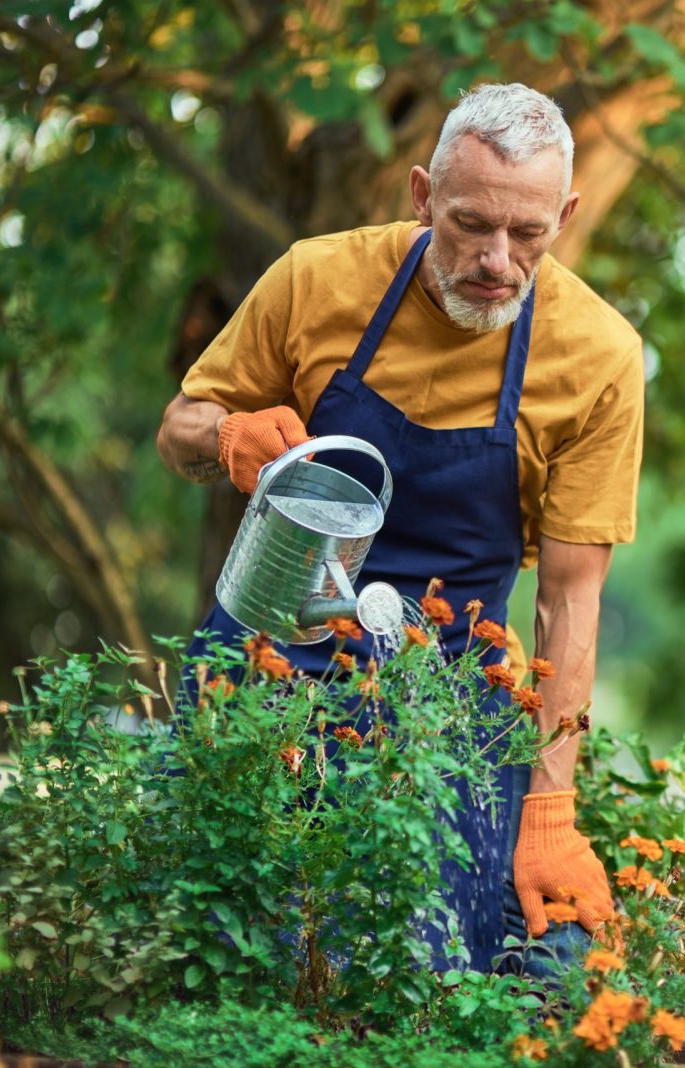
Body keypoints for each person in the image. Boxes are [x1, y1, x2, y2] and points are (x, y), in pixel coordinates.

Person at [155, 82, 642, 977]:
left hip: (443, 693)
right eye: (470, 225)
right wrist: (226, 435)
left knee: (441, 965)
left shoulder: (598, 356)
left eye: (528, 234)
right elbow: (178, 427)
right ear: (421, 196)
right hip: (267, 653)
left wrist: (550, 814)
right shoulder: (316, 277)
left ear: (565, 216)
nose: (497, 259)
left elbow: (570, 599)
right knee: (211, 942)